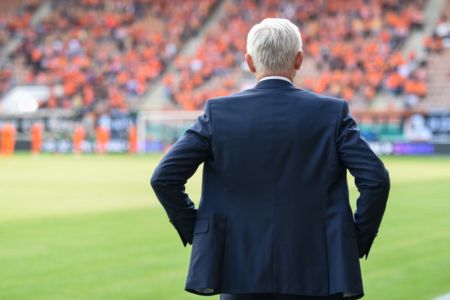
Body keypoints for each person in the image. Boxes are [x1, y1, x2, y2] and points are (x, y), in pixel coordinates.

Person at [150, 18, 390, 300]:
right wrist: (353, 240)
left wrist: (199, 231)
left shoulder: (218, 113)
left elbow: (164, 178)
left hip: (238, 269)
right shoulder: (331, 113)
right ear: (299, 60)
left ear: (250, 62)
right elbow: (375, 179)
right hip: (319, 270)